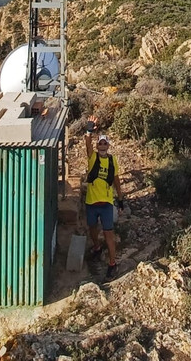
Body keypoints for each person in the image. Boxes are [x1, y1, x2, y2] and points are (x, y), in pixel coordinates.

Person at [84, 113, 124, 281]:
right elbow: (87, 145)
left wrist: (120, 198)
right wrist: (89, 131)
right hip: (92, 202)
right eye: (100, 143)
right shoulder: (92, 158)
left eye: (104, 143)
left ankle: (112, 263)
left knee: (108, 233)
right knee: (92, 228)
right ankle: (97, 247)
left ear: (108, 146)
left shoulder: (112, 160)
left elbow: (116, 179)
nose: (102, 145)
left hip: (106, 203)